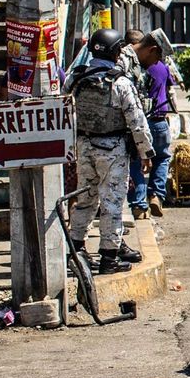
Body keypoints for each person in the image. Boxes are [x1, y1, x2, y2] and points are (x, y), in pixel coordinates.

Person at [67, 29, 153, 274]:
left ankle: (75, 252)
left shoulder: (75, 78)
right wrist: (146, 152)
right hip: (113, 150)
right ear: (116, 52)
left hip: (83, 148)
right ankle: (109, 259)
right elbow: (137, 121)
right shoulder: (121, 82)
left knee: (85, 201)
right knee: (112, 204)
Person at [130, 33, 177, 219]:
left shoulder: (138, 68)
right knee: (162, 158)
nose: (157, 61)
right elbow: (168, 89)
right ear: (153, 50)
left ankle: (139, 205)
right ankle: (156, 195)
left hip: (141, 123)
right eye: (158, 56)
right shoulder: (162, 68)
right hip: (159, 121)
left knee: (136, 162)